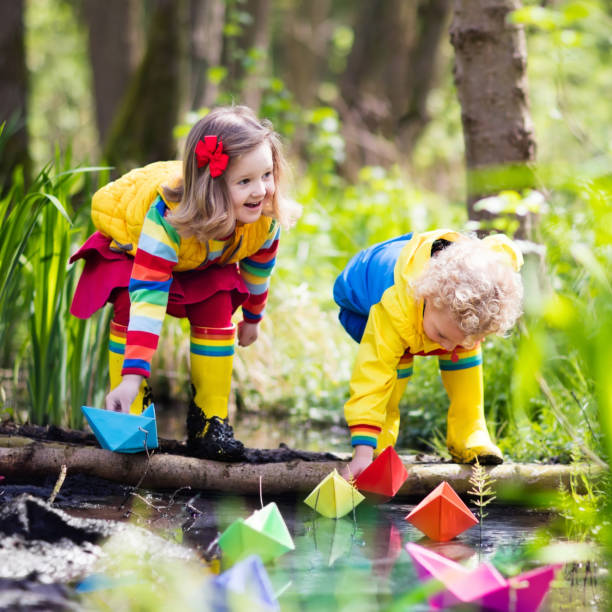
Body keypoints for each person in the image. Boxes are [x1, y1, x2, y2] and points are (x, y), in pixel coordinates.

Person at [69, 105, 299, 461]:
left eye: (267, 175)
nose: (261, 190)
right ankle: (131, 413)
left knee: (217, 303)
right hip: (138, 255)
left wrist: (253, 318)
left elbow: (257, 271)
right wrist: (132, 376)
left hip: (205, 259)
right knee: (132, 306)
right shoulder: (165, 220)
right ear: (212, 184)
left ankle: (210, 423)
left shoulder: (263, 219)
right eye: (244, 181)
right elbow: (148, 294)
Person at [333, 229, 524, 479]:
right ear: (426, 296)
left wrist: (456, 339)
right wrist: (362, 453)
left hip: (425, 311)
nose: (445, 348)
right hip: (356, 304)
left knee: (463, 346)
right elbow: (372, 377)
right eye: (442, 336)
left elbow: (452, 332)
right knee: (396, 357)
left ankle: (469, 434)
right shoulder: (393, 307)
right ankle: (378, 443)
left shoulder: (460, 309)